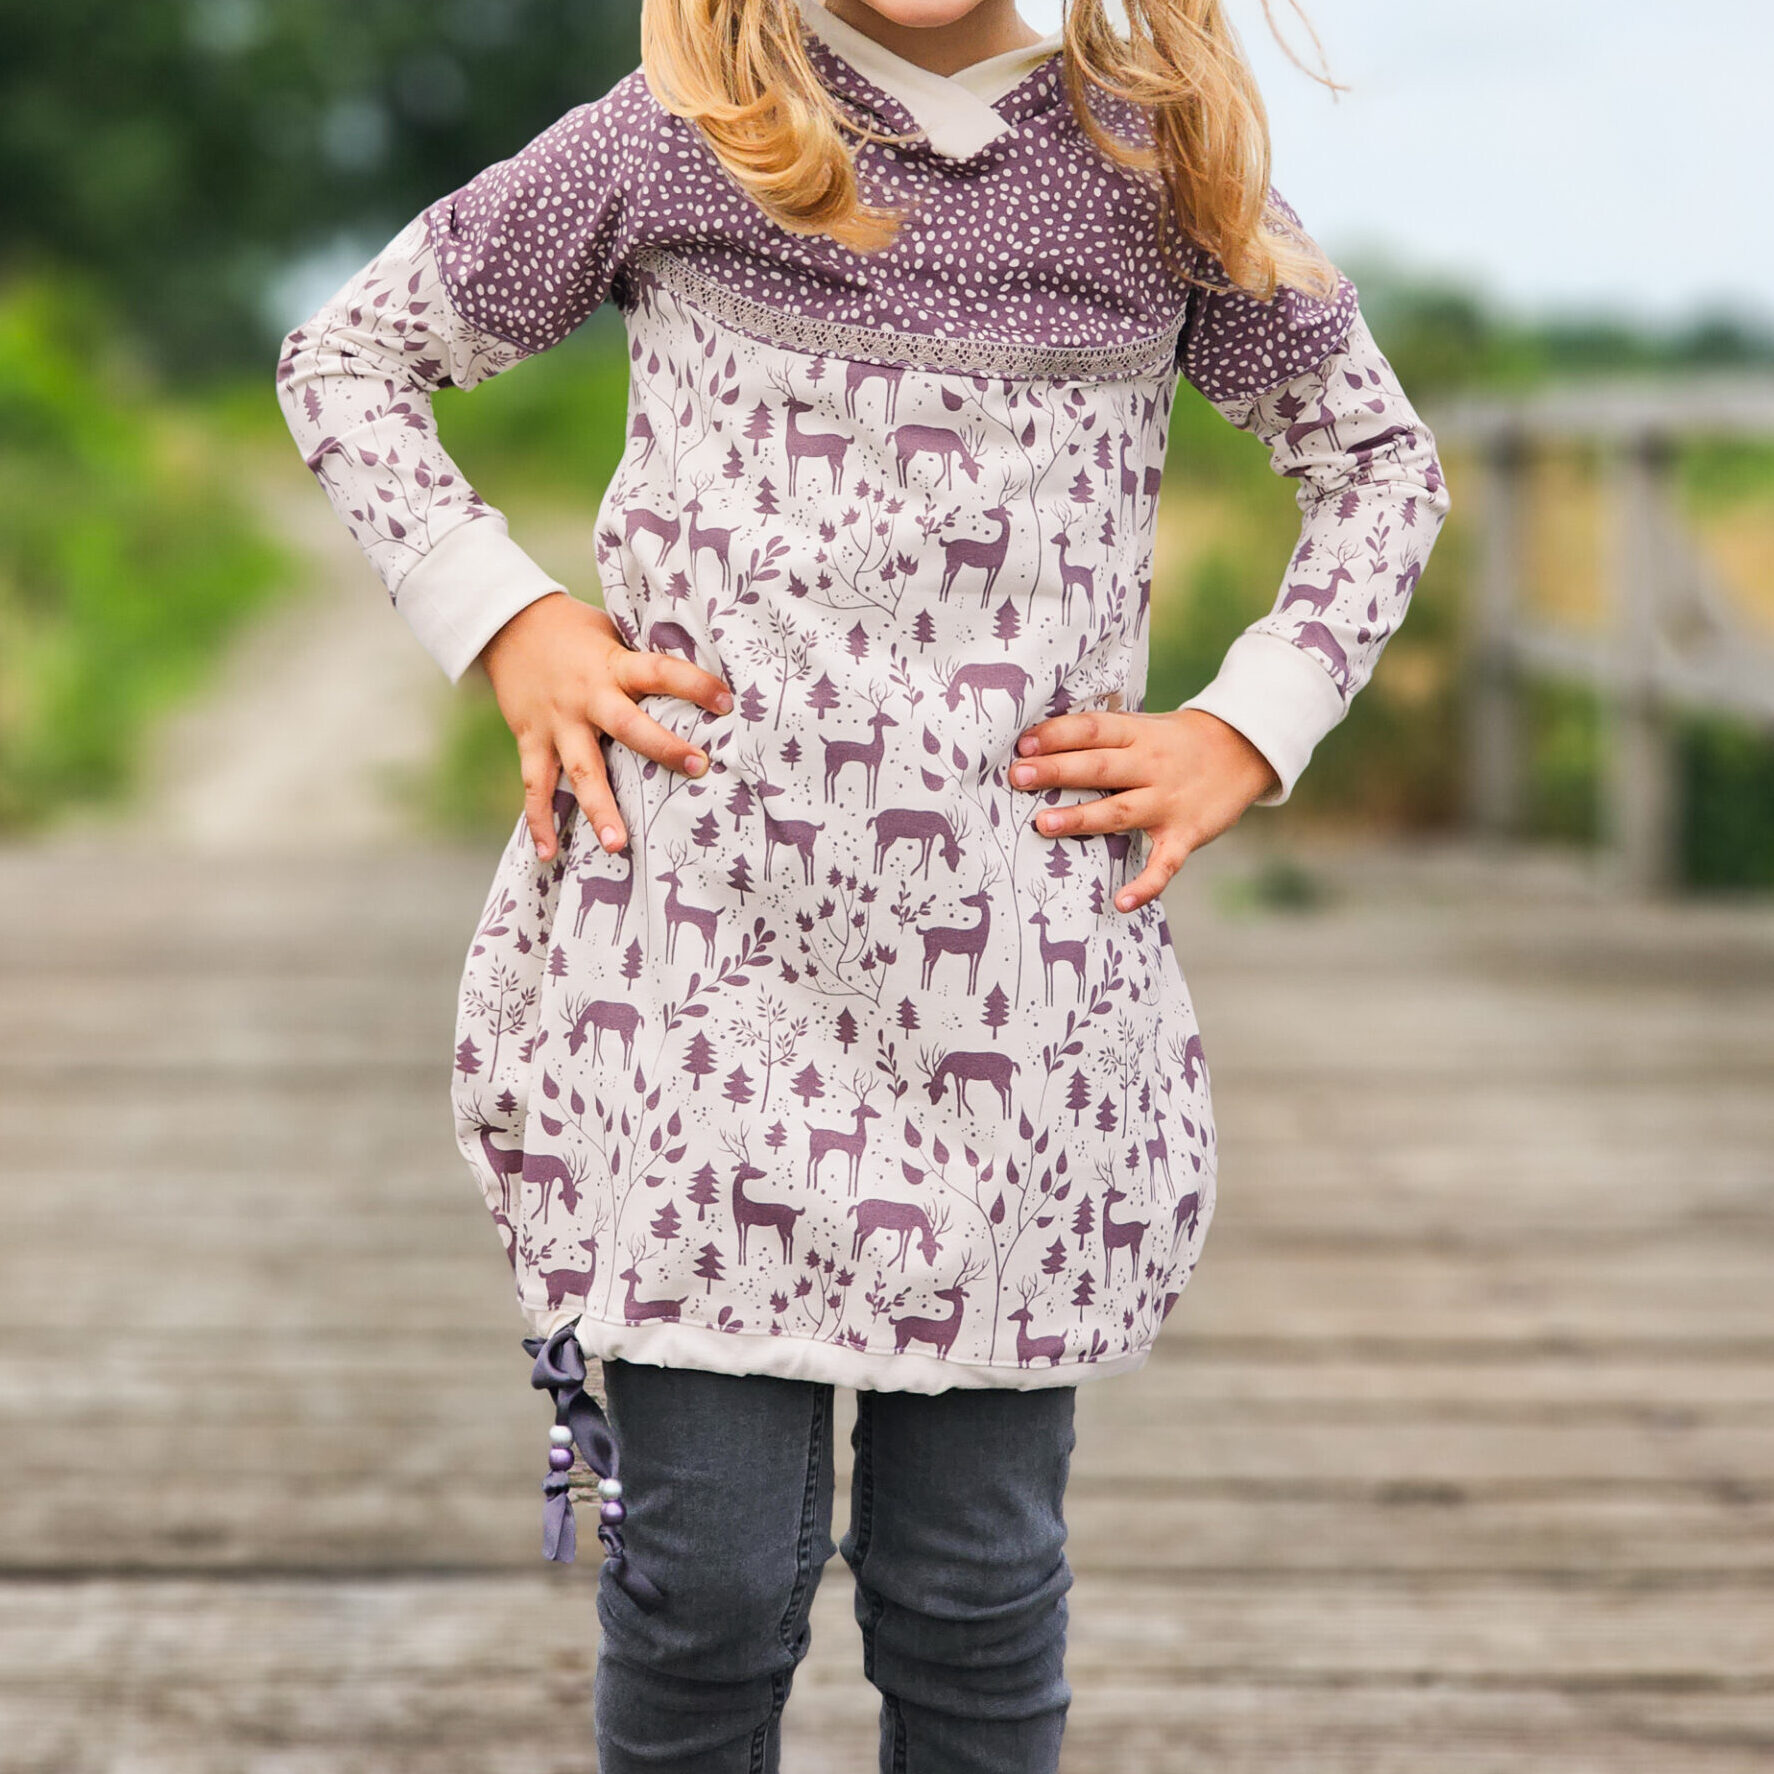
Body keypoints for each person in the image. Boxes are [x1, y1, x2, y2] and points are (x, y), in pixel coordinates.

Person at [276, 0, 1448, 1765]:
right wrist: (509, 620)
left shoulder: (1155, 166)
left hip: (1014, 1025)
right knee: (707, 1577)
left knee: (974, 1583)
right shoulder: (681, 132)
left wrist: (1244, 724)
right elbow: (350, 359)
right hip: (695, 993)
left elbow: (1376, 468)